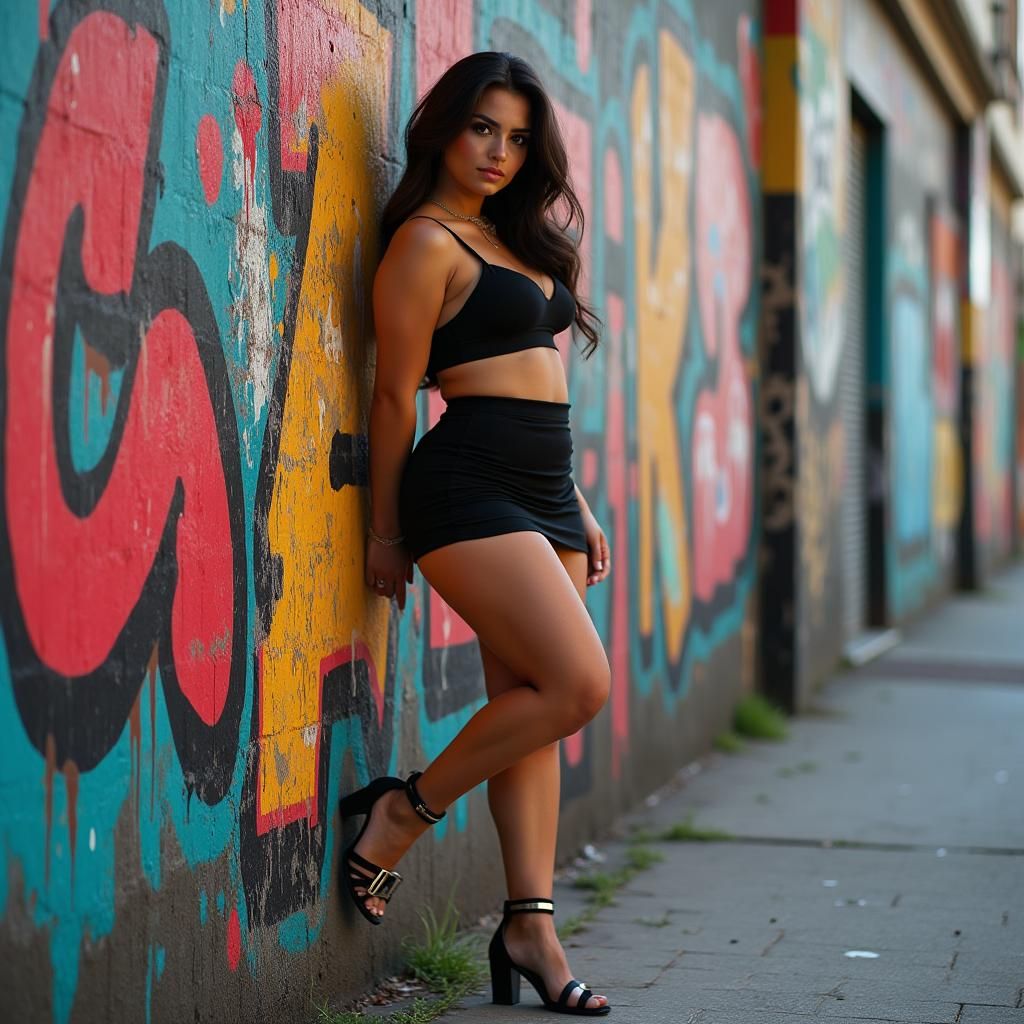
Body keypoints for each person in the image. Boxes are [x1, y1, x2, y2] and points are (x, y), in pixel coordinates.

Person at [339, 51, 613, 1017]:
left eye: (518, 136)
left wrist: (573, 497)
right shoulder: (424, 242)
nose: (499, 151)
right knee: (579, 685)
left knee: (532, 711)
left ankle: (530, 927)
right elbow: (389, 391)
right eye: (483, 128)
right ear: (445, 128)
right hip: (468, 491)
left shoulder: (508, 234)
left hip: (546, 491)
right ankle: (400, 815)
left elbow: (545, 378)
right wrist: (386, 532)